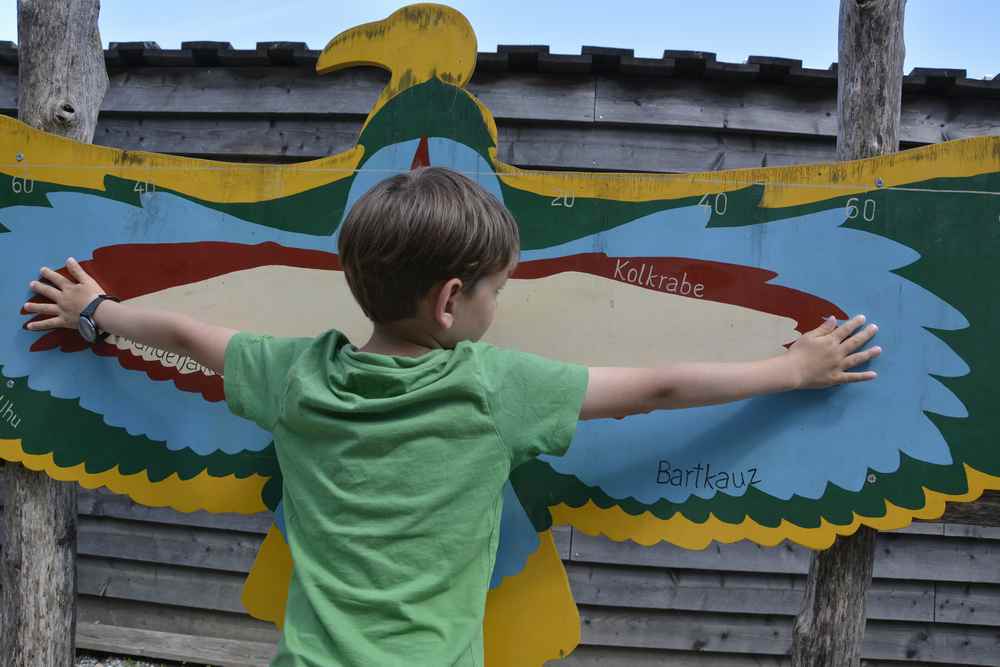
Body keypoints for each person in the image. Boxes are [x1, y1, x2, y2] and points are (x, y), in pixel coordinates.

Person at [22, 167, 880, 666]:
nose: (500, 305)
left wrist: (94, 312)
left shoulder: (292, 373)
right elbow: (655, 387)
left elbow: (183, 331)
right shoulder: (493, 389)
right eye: (497, 289)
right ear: (449, 302)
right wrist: (790, 368)